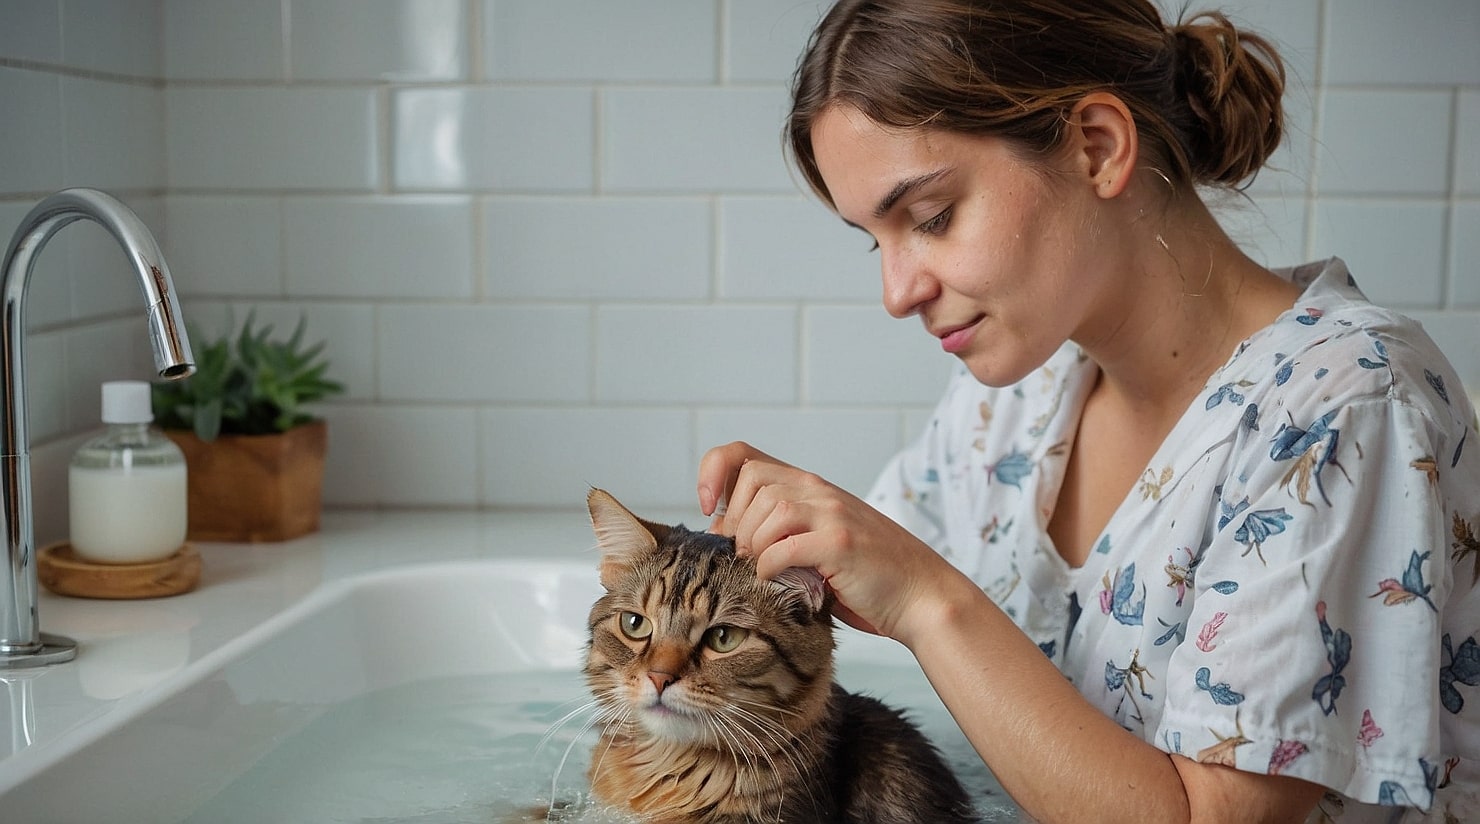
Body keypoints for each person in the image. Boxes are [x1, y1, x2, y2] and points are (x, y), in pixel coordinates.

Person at [696, 1, 1480, 821]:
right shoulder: (1012, 409)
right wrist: (752, 555)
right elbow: (860, 569)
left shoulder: (1346, 405)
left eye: (931, 218)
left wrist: (927, 601)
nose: (898, 293)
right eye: (876, 240)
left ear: (1097, 148)